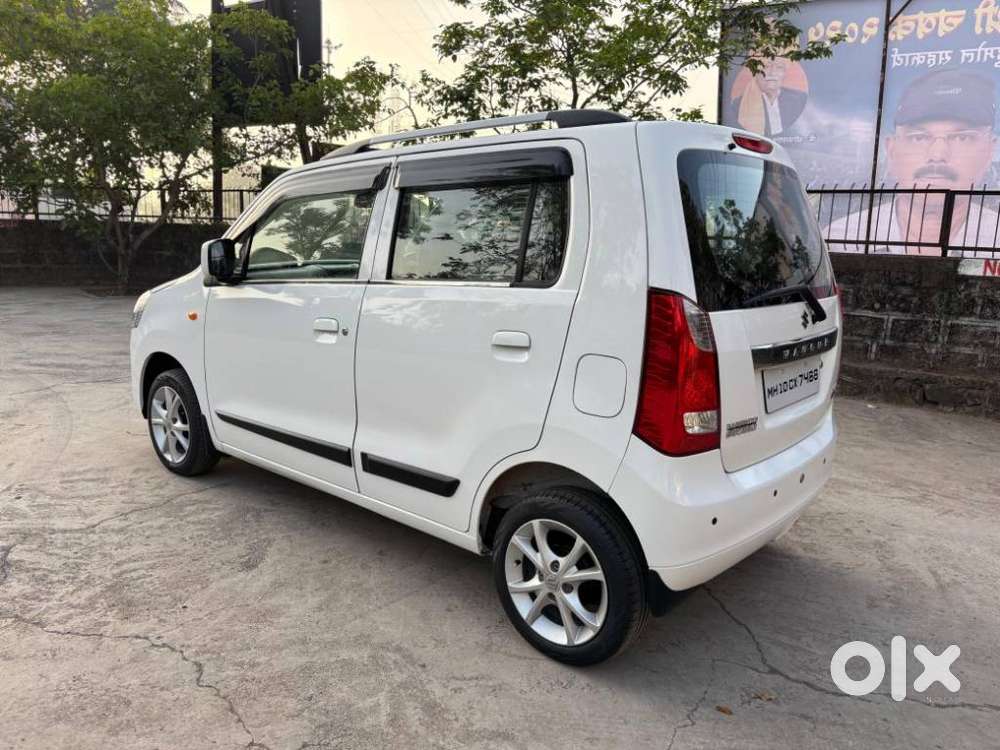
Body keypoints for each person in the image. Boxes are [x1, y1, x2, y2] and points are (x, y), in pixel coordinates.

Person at [826, 69, 999, 256]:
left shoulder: (994, 239)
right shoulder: (841, 238)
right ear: (892, 150)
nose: (937, 154)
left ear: (990, 150)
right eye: (919, 138)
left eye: (962, 138)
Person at [732, 56, 808, 136]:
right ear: (755, 73)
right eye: (766, 66)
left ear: (784, 73)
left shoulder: (799, 99)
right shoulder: (740, 105)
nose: (772, 73)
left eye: (779, 67)